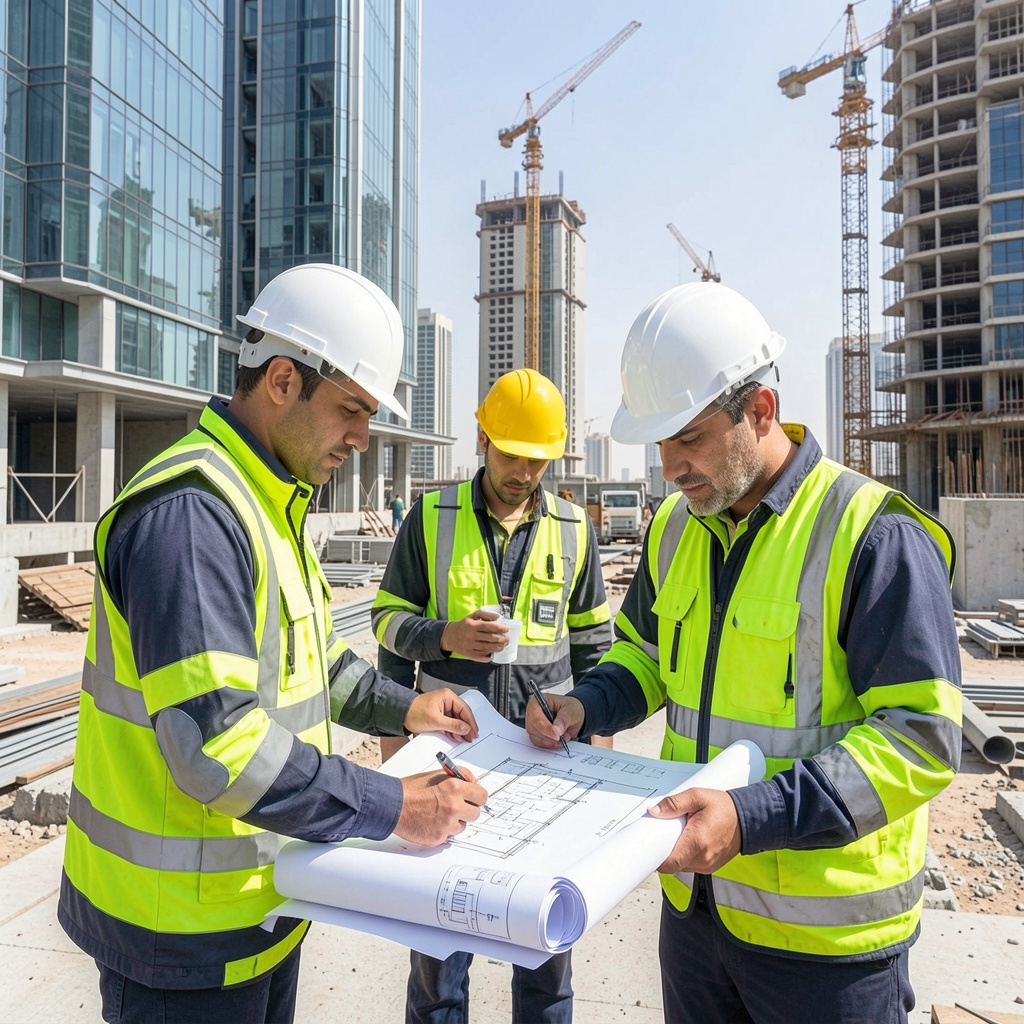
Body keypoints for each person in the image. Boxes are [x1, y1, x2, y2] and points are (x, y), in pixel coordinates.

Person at [58, 264, 488, 1024]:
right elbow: (213, 746)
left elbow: (316, 666)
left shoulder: (268, 502)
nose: (363, 437)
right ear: (283, 380)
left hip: (255, 910)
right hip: (177, 942)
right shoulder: (194, 514)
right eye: (352, 409)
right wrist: (393, 806)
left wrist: (411, 709)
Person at [526, 282, 962, 1024]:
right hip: (698, 919)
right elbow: (643, 654)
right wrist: (588, 702)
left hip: (827, 947)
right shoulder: (674, 529)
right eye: (659, 443)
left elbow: (921, 740)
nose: (670, 465)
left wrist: (749, 818)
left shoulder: (871, 535)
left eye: (688, 437)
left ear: (759, 412)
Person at [372, 367, 614, 1024]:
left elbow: (595, 649)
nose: (523, 472)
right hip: (448, 764)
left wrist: (595, 757)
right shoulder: (430, 518)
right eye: (511, 455)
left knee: (545, 955)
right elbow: (388, 626)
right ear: (482, 438)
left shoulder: (573, 528)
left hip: (547, 769)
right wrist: (444, 636)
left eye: (538, 460)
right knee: (439, 964)